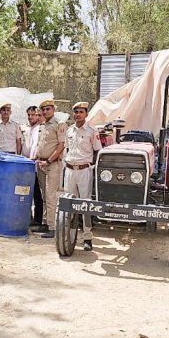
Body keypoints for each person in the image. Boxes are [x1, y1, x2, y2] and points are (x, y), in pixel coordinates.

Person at [64, 101, 103, 251]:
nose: (78, 114)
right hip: (69, 170)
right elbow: (66, 150)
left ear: (86, 114)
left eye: (81, 112)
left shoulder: (92, 131)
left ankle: (87, 238)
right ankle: (70, 236)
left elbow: (98, 151)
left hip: (84, 171)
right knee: (69, 204)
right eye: (76, 112)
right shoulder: (69, 130)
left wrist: (93, 168)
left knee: (86, 204)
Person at [31, 99, 67, 238]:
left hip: (52, 164)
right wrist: (34, 158)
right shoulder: (43, 124)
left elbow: (61, 145)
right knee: (44, 196)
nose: (45, 112)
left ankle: (52, 228)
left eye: (48, 109)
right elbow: (40, 144)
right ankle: (46, 223)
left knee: (51, 197)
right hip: (41, 164)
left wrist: (49, 160)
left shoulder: (59, 124)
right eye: (43, 109)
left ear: (53, 109)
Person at [22, 105, 44, 227]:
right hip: (25, 164)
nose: (31, 117)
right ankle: (27, 216)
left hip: (35, 165)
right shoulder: (25, 128)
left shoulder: (40, 128)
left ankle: (38, 219)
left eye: (33, 115)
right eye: (29, 115)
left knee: (37, 194)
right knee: (25, 192)